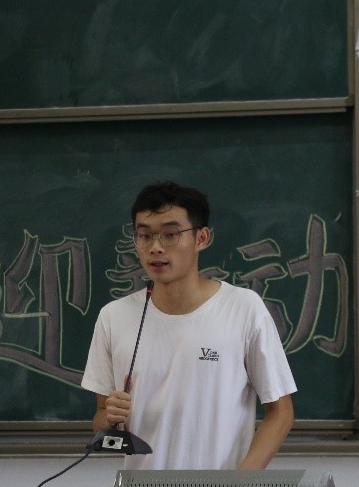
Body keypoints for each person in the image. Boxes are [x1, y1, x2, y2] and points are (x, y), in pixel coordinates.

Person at [81, 181, 296, 469]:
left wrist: (240, 484)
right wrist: (108, 419)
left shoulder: (243, 308)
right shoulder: (114, 316)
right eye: (145, 236)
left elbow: (280, 412)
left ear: (201, 238)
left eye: (170, 235)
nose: (155, 248)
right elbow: (100, 417)